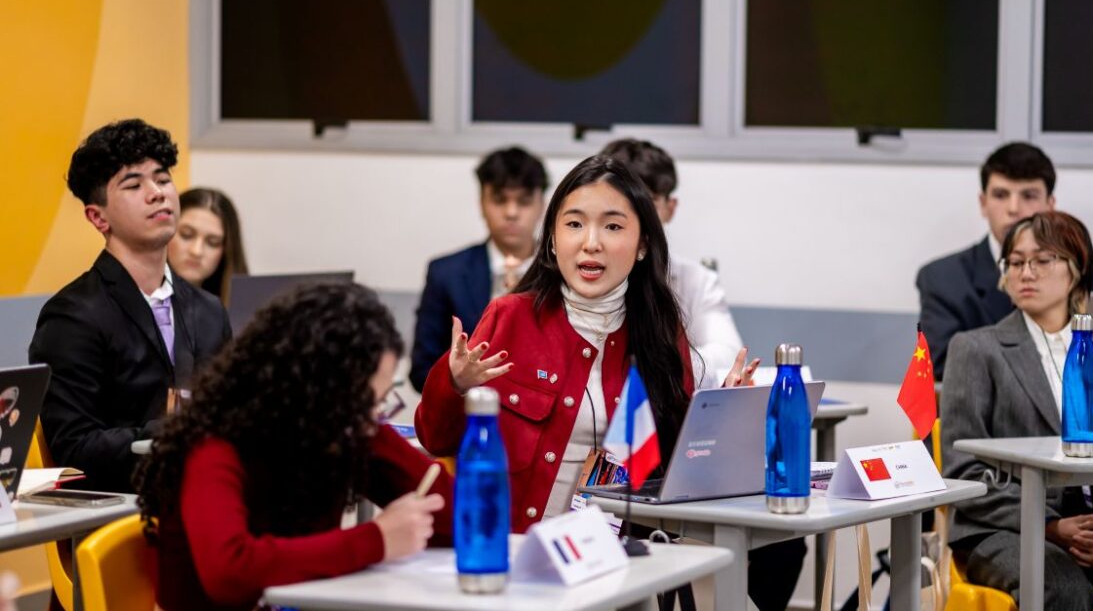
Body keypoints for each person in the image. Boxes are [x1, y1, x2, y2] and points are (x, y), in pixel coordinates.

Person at [416, 155, 803, 610]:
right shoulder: (510, 317)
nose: (591, 243)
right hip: (517, 563)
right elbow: (435, 438)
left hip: (618, 570)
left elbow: (679, 472)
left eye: (613, 227)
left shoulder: (660, 332)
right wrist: (455, 383)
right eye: (574, 224)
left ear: (642, 245)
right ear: (552, 240)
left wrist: (719, 417)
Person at [136, 282, 451, 611]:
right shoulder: (214, 444)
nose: (375, 417)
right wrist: (377, 539)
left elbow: (454, 515)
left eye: (381, 401)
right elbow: (230, 573)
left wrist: (369, 425)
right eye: (367, 400)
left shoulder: (333, 430)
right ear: (318, 390)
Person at [941, 211, 1093, 610]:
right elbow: (963, 470)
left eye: (1042, 260)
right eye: (1015, 262)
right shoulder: (976, 349)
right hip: (1005, 529)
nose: (1026, 272)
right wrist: (1049, 524)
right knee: (1062, 587)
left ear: (1076, 269)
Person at [29, 119, 232, 493]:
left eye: (163, 179)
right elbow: (73, 448)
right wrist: (174, 433)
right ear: (98, 217)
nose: (157, 193)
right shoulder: (73, 315)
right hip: (122, 511)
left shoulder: (208, 310)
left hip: (206, 501)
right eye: (134, 185)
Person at [917, 142, 1093, 379]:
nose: (1014, 209)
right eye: (1000, 195)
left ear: (1050, 205)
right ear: (983, 203)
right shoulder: (943, 278)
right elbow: (943, 367)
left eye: (1029, 195)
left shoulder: (1089, 270)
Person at [600, 138, 743, 388]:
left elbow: (729, 358)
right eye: (619, 202)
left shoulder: (696, 280)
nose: (632, 217)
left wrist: (662, 363)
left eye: (647, 202)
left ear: (670, 208)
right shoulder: (581, 271)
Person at [409, 146, 548, 393]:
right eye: (499, 200)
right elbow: (422, 370)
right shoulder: (446, 273)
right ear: (482, 203)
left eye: (524, 201)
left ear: (542, 205)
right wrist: (460, 381)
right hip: (469, 408)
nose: (511, 212)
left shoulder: (560, 272)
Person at [168, 187, 249, 304]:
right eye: (187, 235)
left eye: (213, 242)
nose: (196, 251)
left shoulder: (243, 305)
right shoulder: (142, 299)